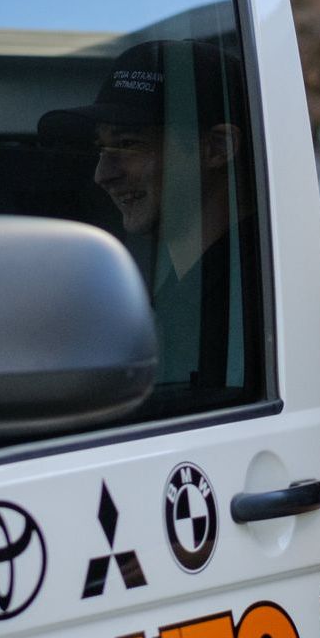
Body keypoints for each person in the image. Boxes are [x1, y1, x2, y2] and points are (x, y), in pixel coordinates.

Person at [39, 39, 247, 386]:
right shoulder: (190, 294)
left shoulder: (247, 304)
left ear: (217, 149)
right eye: (101, 148)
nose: (103, 174)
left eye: (129, 143)